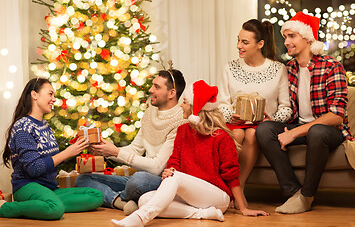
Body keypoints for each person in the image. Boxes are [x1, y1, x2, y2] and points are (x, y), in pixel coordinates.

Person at [111, 80, 269, 227]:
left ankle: (140, 219)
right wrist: (170, 169)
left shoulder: (221, 137)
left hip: (218, 197)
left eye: (185, 102)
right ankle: (202, 214)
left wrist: (243, 209)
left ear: (196, 108)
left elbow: (232, 176)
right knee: (145, 199)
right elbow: (175, 160)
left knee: (175, 177)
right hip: (189, 196)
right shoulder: (182, 131)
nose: (181, 106)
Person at [256, 12, 352, 214]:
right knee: (265, 129)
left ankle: (307, 197)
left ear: (307, 38)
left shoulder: (332, 66)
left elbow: (336, 115)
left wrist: (294, 133)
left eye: (292, 36)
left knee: (316, 131)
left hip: (329, 131)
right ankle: (293, 192)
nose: (287, 42)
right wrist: (273, 119)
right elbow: (288, 108)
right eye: (285, 37)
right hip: (300, 126)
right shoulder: (289, 68)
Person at [0, 78, 103, 220]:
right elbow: (34, 168)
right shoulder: (23, 127)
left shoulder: (45, 125)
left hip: (49, 188)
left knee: (96, 196)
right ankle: (4, 207)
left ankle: (40, 205)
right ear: (35, 95)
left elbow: (53, 162)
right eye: (50, 94)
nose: (54, 99)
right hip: (27, 186)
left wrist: (76, 149)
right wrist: (67, 152)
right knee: (56, 209)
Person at [75, 66, 187, 214]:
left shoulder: (181, 121)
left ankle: (120, 197)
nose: (150, 90)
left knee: (138, 180)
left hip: (161, 181)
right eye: (152, 85)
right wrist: (107, 150)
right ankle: (121, 202)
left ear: (172, 93)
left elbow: (157, 167)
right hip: (138, 179)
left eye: (157, 87)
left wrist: (116, 152)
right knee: (82, 180)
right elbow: (135, 149)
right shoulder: (150, 114)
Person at [218, 19, 292, 204]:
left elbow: (286, 107)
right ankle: (225, 187)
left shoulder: (278, 69)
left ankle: (239, 188)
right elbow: (223, 103)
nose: (238, 46)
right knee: (237, 134)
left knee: (252, 134)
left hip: (263, 125)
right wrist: (230, 116)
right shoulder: (230, 68)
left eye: (244, 42)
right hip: (234, 123)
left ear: (260, 44)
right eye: (238, 40)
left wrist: (271, 120)